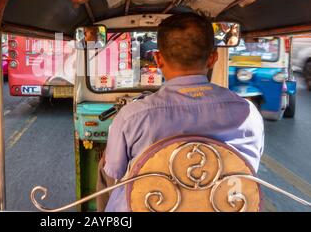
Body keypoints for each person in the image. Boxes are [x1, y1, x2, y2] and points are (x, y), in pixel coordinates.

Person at [96, 13, 264, 212]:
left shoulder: (133, 115)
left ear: (158, 59)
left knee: (106, 163)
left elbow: (114, 172)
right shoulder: (249, 114)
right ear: (213, 58)